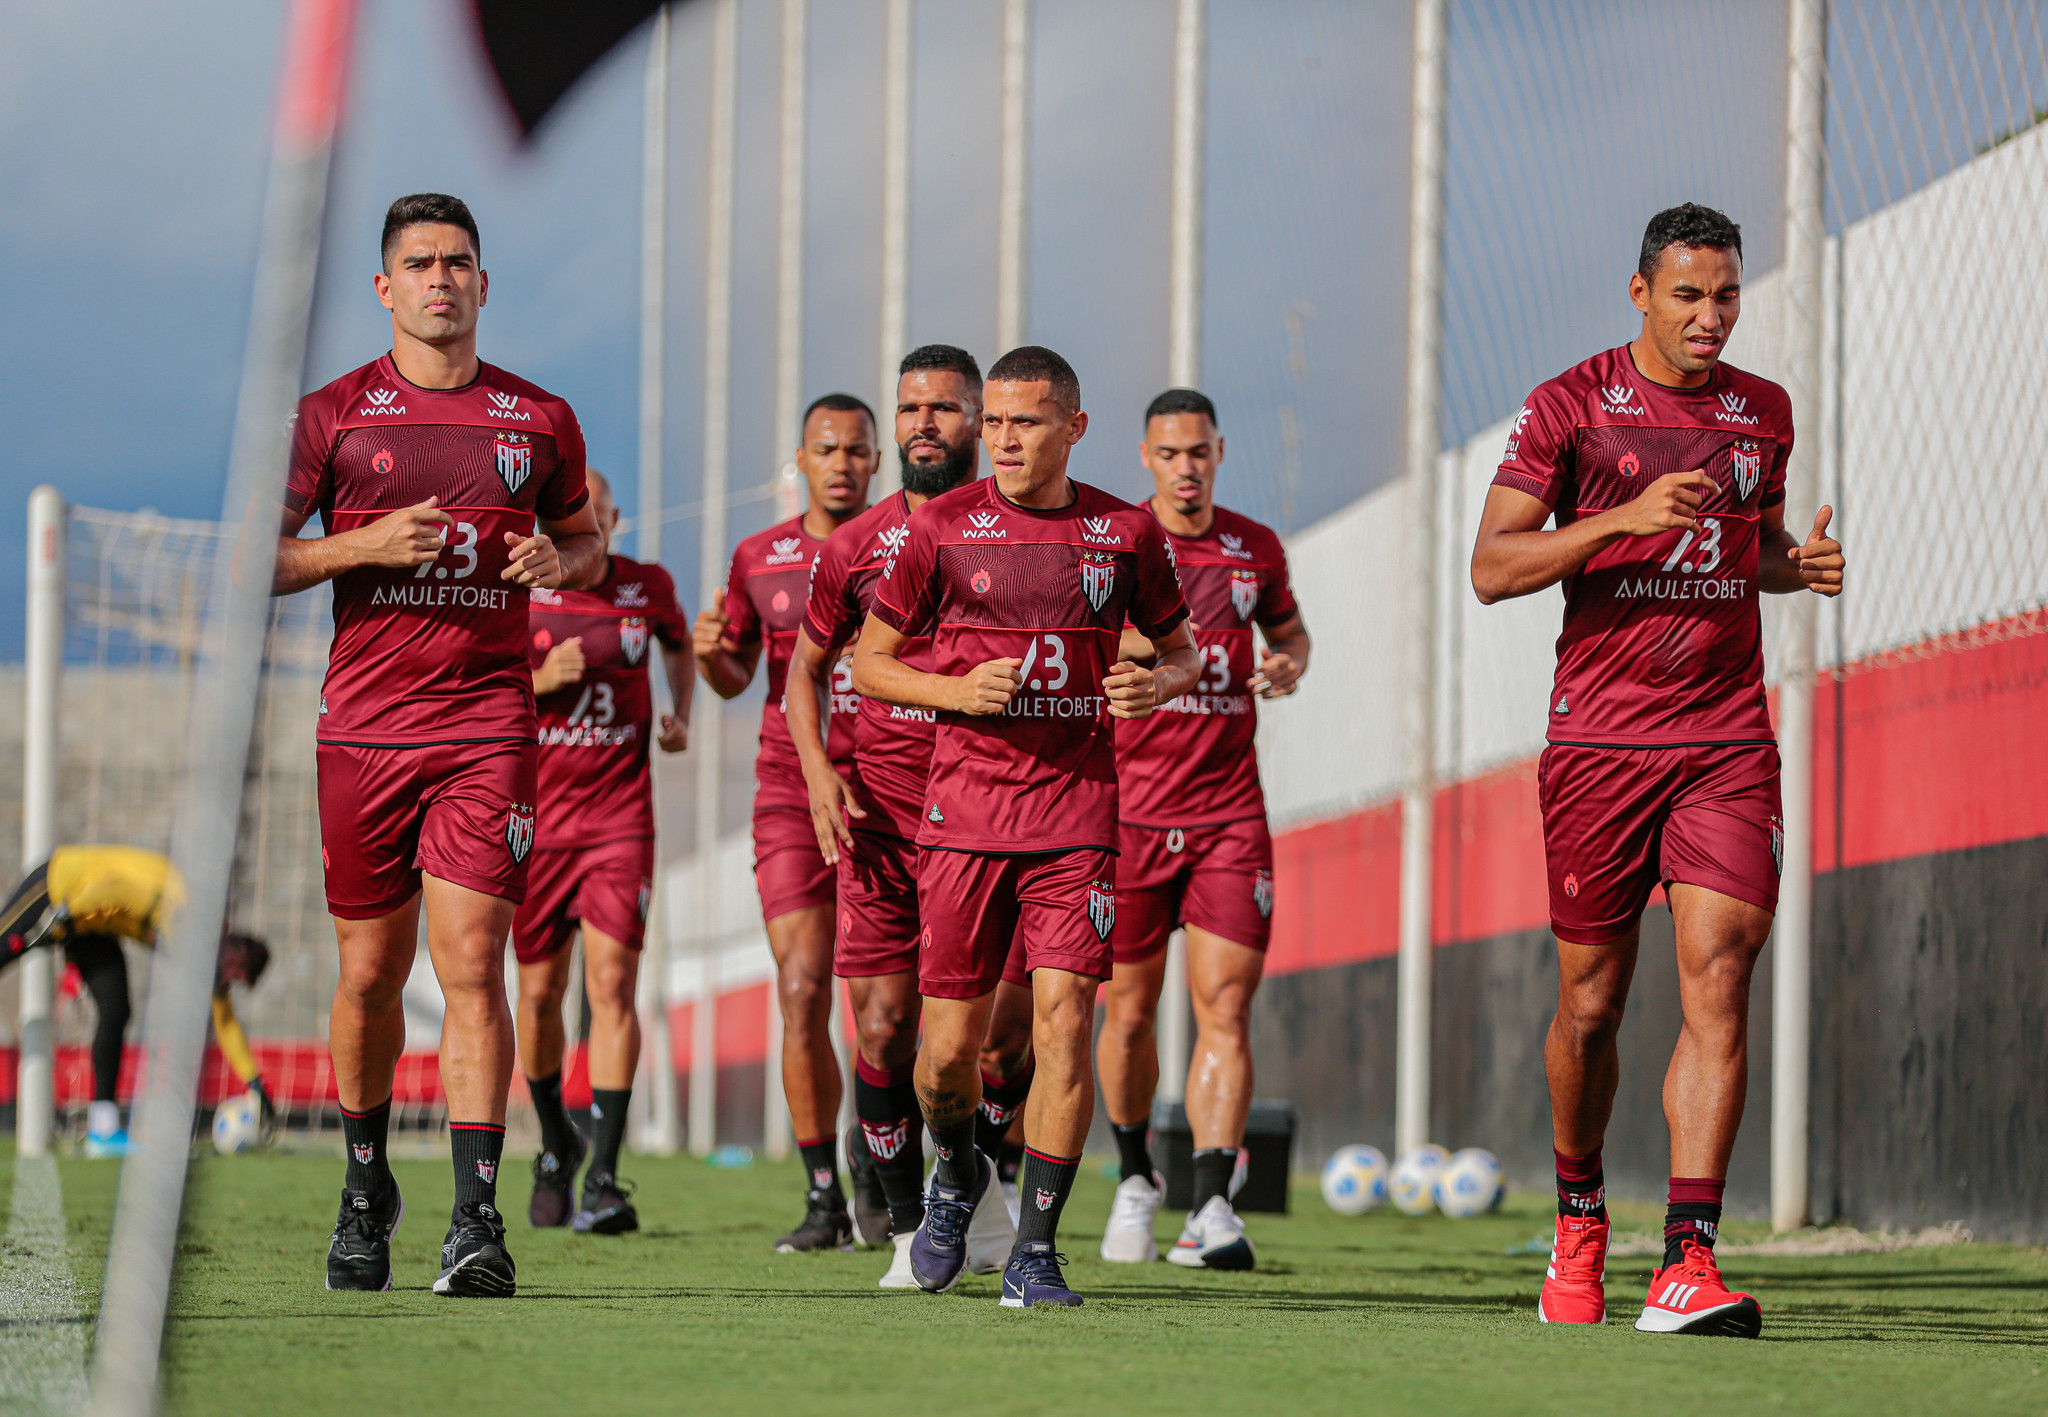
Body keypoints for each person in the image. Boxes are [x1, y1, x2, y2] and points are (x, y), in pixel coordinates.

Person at [1471, 203, 1845, 1336]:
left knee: (1718, 976)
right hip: (1596, 744)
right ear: (1639, 293)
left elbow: (1745, 548)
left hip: (1725, 737)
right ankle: (1578, 1214)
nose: (1709, 316)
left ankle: (1686, 1258)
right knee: (1590, 1004)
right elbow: (1491, 567)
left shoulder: (1760, 413)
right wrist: (1618, 517)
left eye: (1725, 294)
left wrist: (1797, 564)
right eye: (1687, 294)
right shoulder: (1567, 405)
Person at [275, 193, 604, 1296]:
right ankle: (366, 1189)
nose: (440, 280)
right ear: (384, 288)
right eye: (418, 263)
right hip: (362, 731)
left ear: (483, 283)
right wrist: (356, 543)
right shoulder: (332, 416)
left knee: (472, 963)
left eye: (458, 262)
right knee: (370, 972)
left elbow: (582, 540)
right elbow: (252, 559)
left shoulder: (538, 418)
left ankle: (476, 1220)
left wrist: (561, 566)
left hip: (486, 727)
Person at [853, 345, 1200, 1307]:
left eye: (1027, 422)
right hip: (961, 816)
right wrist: (955, 690)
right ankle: (957, 1177)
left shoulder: (1124, 533)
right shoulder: (942, 530)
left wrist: (1154, 681)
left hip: (1077, 816)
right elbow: (871, 664)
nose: (1004, 440)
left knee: (1063, 1026)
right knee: (947, 1058)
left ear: (1074, 429)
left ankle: (1038, 1250)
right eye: (995, 422)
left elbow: (1183, 651)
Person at [787, 345, 1029, 1287]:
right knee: (885, 1027)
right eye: (912, 408)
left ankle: (984, 1180)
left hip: (997, 813)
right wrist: (817, 771)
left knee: (1004, 1038)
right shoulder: (853, 548)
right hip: (881, 817)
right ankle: (905, 1225)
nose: (926, 422)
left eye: (946, 407)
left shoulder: (1027, 532)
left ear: (983, 421)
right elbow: (806, 674)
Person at [1095, 389, 1310, 1270]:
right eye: (1170, 453)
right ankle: (1136, 1177)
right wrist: (1141, 654)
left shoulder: (1254, 548)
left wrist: (1289, 663)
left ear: (1220, 450)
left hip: (1229, 817)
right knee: (1131, 1010)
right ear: (1146, 456)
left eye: (1200, 452)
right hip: (1128, 815)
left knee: (1225, 1006)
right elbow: (1084, 650)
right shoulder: (1114, 543)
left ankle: (1213, 1204)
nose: (1187, 468)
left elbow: (1290, 634)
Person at [694, 394, 876, 1251]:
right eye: (826, 448)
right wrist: (710, 656)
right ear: (800, 460)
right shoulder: (758, 557)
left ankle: (882, 1144)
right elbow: (736, 676)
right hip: (788, 787)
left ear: (876, 462)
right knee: (803, 985)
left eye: (855, 450)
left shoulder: (909, 543)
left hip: (891, 783)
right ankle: (822, 1195)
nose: (841, 462)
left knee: (885, 1002)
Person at [512, 469, 690, 1235]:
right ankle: (556, 1140)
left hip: (619, 823)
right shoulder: (516, 590)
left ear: (613, 519)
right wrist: (537, 679)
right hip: (535, 824)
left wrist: (679, 711)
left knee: (614, 984)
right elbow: (466, 681)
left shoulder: (646, 586)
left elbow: (679, 645)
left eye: (598, 512)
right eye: (570, 515)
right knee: (542, 994)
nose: (588, 524)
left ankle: (606, 1179)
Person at [1, 846, 274, 1156]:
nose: (225, 983)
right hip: (63, 885)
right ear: (233, 952)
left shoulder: (205, 952)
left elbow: (225, 1020)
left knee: (116, 1010)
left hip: (92, 922)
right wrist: (66, 915)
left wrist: (254, 1081)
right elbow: (115, 888)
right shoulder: (183, 910)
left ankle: (102, 1131)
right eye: (233, 974)